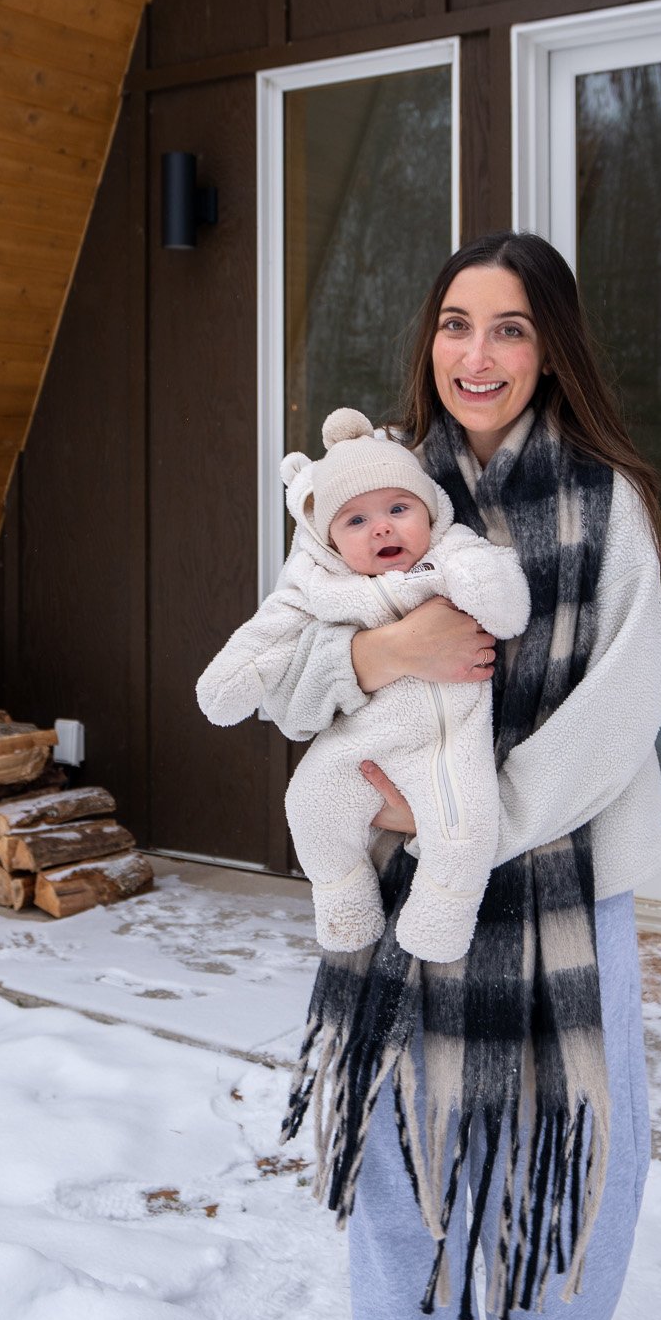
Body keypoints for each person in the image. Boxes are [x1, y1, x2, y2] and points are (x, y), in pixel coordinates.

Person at [254, 232, 661, 1320]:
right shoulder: (371, 488)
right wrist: (380, 655)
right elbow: (280, 661)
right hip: (395, 915)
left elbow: (632, 695)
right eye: (455, 324)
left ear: (551, 346)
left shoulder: (605, 499)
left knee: (588, 1192)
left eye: (508, 328)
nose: (478, 355)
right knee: (408, 1209)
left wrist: (475, 824)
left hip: (561, 888)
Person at [194, 406, 530, 963]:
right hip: (358, 743)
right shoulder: (321, 585)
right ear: (328, 538)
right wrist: (233, 679)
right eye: (355, 521)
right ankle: (343, 900)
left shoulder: (453, 556)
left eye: (399, 508)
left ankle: (439, 922)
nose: (382, 527)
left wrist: (476, 577)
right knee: (309, 804)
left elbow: (508, 608)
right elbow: (268, 635)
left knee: (464, 831)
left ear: (431, 510)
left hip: (446, 745)